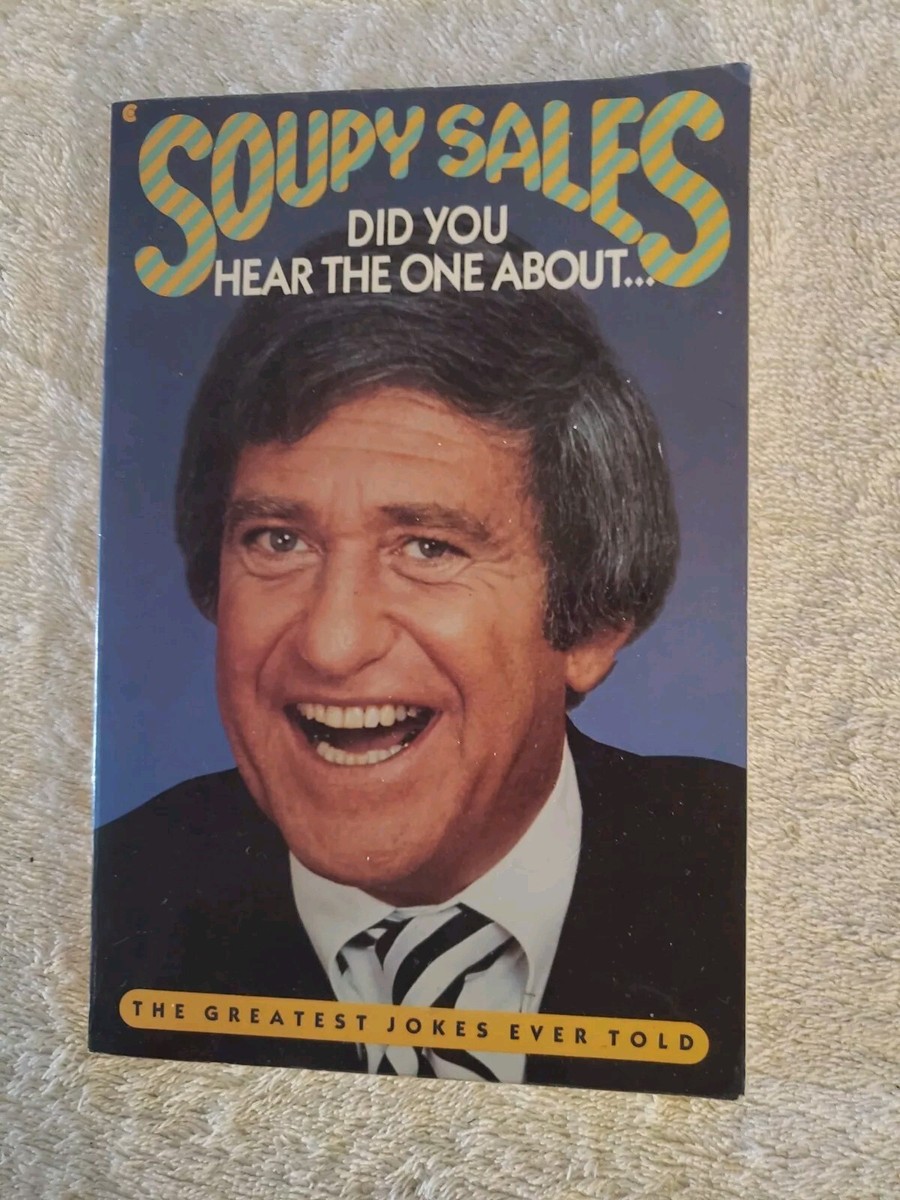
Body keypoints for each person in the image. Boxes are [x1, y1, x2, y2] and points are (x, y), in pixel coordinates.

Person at [90, 225, 744, 1097]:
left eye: (429, 548)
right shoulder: (112, 901)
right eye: (278, 540)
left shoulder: (753, 876)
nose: (332, 643)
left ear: (592, 626)